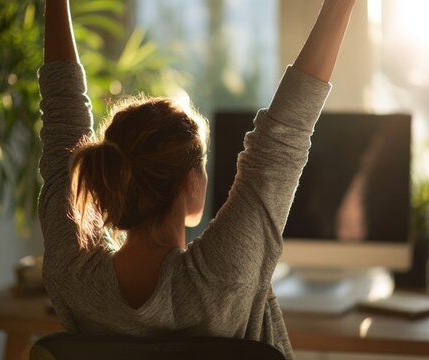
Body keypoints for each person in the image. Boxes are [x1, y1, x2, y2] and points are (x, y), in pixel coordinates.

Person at [38, 0, 355, 358]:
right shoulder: (220, 278)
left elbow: (62, 118)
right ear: (191, 183)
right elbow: (280, 140)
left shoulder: (75, 278)